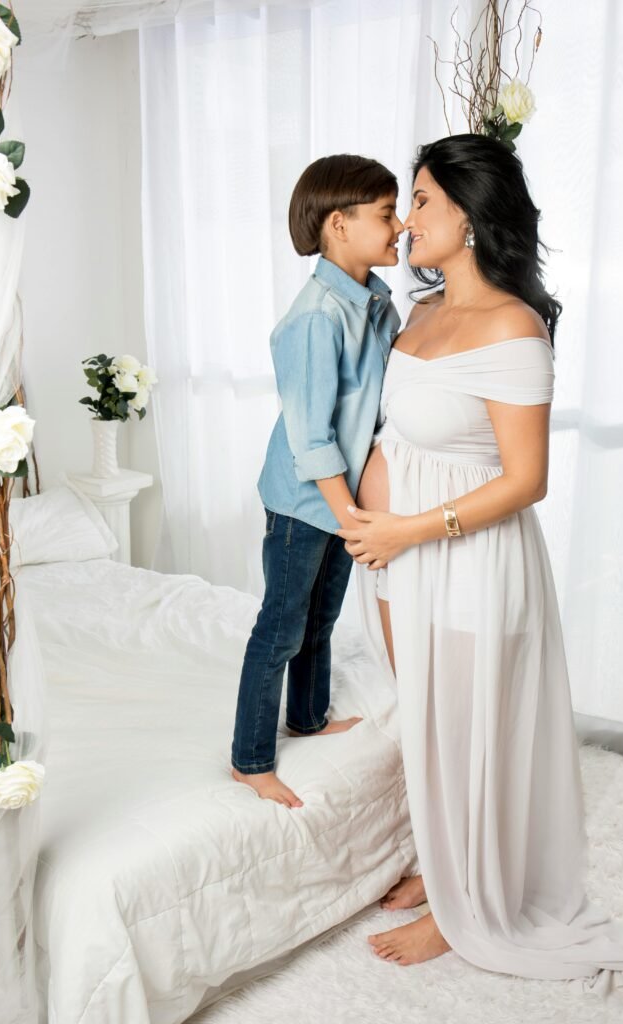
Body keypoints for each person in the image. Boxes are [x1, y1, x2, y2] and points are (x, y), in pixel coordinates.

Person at [339, 134, 623, 991]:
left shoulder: (512, 326)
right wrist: (368, 529)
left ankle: (463, 903)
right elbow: (393, 430)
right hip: (400, 559)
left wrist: (405, 529)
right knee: (430, 724)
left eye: (425, 201)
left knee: (473, 733)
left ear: (471, 218)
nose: (407, 219)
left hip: (467, 560)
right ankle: (443, 867)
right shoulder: (420, 312)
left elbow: (526, 480)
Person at [231, 154, 403, 808]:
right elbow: (310, 438)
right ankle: (249, 759)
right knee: (280, 626)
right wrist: (352, 519)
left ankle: (305, 717)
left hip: (345, 499)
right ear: (338, 224)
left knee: (321, 619)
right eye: (386, 215)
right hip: (308, 500)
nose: (399, 227)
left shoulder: (373, 303)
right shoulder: (314, 317)